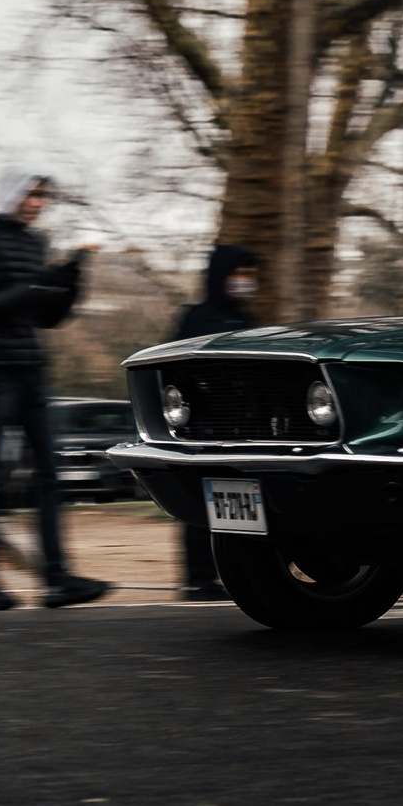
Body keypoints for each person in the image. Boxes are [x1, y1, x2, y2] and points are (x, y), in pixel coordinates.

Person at [0, 167, 111, 612]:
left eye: (43, 197)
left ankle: (58, 580)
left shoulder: (34, 242)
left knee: (48, 476)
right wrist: (33, 286)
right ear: (11, 194)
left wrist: (70, 281)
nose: (39, 203)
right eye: (31, 195)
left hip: (31, 369)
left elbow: (46, 318)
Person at [168, 245, 261, 602]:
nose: (244, 282)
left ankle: (243, 574)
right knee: (199, 503)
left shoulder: (247, 322)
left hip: (242, 428)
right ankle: (198, 578)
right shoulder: (195, 319)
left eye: (248, 275)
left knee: (242, 502)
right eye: (238, 274)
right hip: (202, 426)